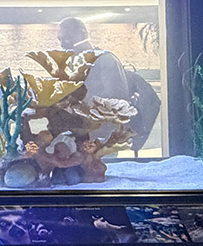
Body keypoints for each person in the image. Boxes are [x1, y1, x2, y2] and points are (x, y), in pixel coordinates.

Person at [56, 17, 162, 152]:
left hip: (102, 136)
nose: (63, 44)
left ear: (82, 34)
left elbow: (116, 97)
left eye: (67, 38)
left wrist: (78, 101)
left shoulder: (104, 60)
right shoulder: (73, 63)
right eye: (60, 40)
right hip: (81, 134)